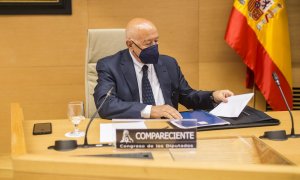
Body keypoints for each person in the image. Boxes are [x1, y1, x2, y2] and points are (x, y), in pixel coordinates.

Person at [93, 18, 234, 119]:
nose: (154, 47)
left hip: (169, 127)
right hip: (134, 128)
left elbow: (187, 96)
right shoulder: (110, 66)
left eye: (156, 41)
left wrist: (213, 96)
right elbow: (105, 104)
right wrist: (150, 110)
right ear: (130, 44)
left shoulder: (169, 63)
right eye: (148, 43)